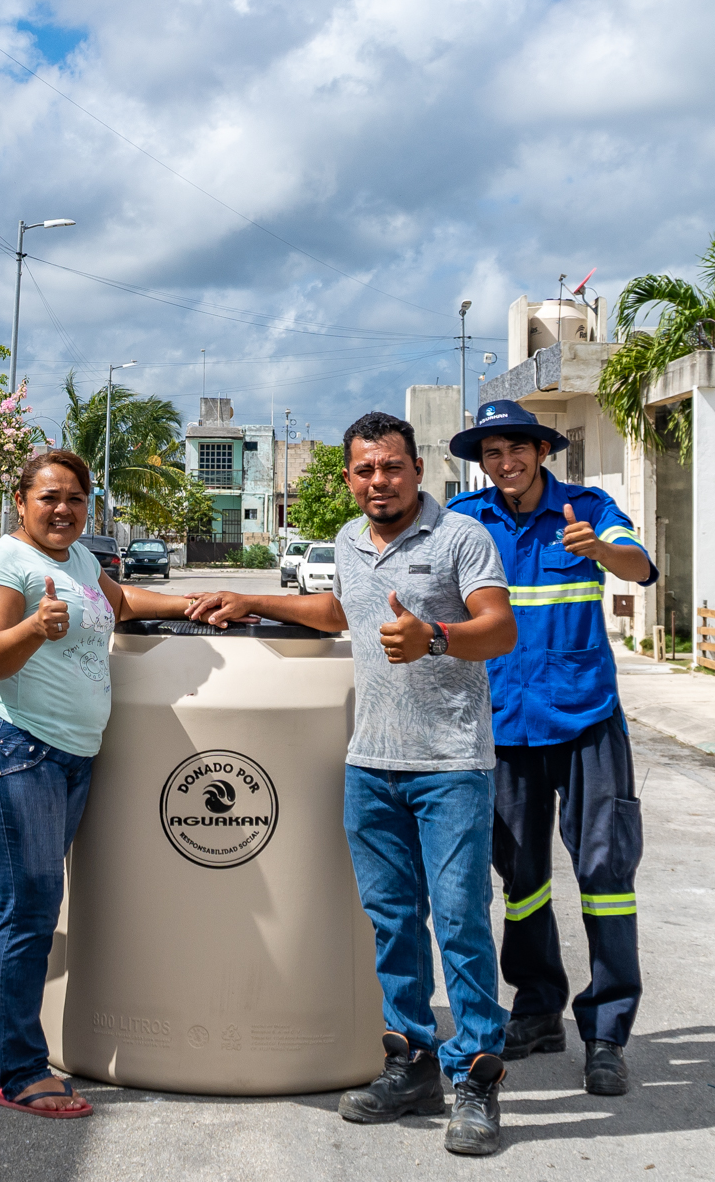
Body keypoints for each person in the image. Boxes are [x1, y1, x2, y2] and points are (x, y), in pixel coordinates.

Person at [184, 412, 518, 1157]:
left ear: (417, 469)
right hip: (370, 763)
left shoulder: (462, 537)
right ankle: (412, 1064)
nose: (379, 481)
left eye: (392, 467)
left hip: (450, 765)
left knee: (460, 923)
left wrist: (436, 634)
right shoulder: (344, 540)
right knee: (394, 923)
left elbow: (499, 628)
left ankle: (477, 1080)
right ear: (348, 477)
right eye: (365, 470)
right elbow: (341, 611)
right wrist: (257, 601)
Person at [0, 449, 194, 1117]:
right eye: (49, 497)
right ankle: (19, 1071)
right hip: (17, 753)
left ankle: (0, 1059)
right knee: (28, 908)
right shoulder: (2, 563)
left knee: (14, 907)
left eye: (74, 498)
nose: (62, 509)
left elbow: (120, 604)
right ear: (20, 501)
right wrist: (34, 627)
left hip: (69, 757)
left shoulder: (81, 561)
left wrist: (195, 605)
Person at [446, 398, 658, 1097]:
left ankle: (605, 1032)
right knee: (523, 879)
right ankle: (537, 1010)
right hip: (503, 727)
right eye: (491, 453)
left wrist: (601, 551)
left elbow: (639, 566)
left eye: (516, 449)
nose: (504, 463)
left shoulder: (588, 507)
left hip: (586, 719)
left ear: (541, 451)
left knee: (604, 874)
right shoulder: (468, 522)